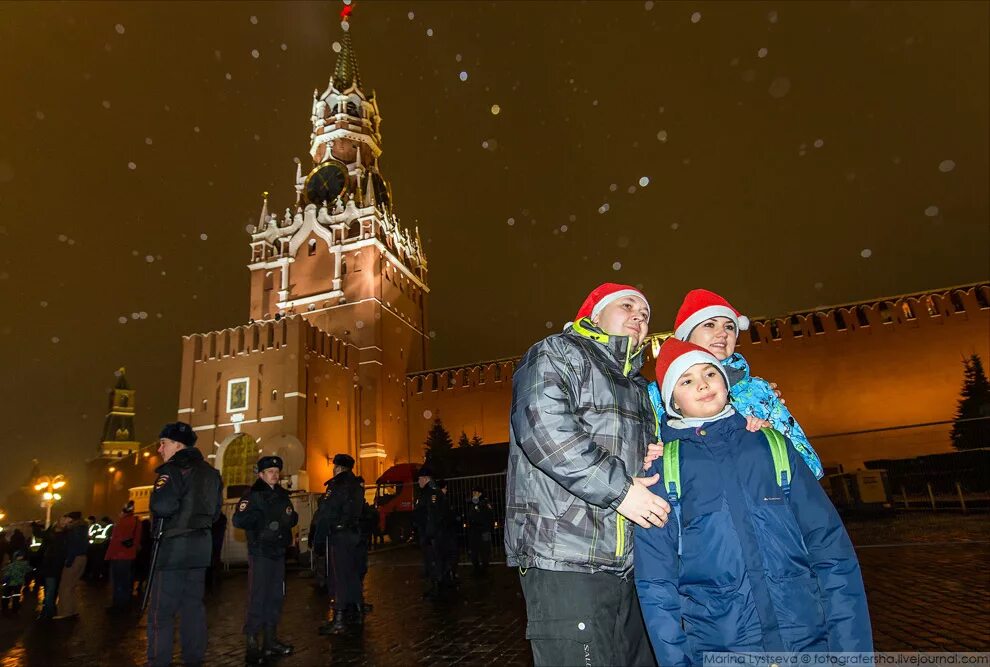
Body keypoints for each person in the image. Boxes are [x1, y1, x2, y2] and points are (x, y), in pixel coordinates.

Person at [635, 339, 873, 666]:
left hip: (805, 645)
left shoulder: (772, 447)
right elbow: (656, 585)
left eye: (710, 373)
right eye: (687, 380)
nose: (703, 384)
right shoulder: (665, 470)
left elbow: (831, 552)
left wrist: (852, 655)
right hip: (723, 650)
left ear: (724, 381)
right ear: (671, 399)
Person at [505, 282, 670, 667]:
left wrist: (655, 455)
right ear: (594, 316)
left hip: (629, 566)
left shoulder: (640, 388)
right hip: (566, 558)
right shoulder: (557, 352)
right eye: (627, 305)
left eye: (645, 315)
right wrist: (622, 491)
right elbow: (543, 428)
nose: (639, 317)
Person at [647, 289, 824, 479]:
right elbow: (650, 464)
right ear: (686, 337)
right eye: (709, 324)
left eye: (730, 327)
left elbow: (809, 465)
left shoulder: (759, 390)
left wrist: (770, 440)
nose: (722, 333)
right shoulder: (657, 394)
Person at [146, 421, 223, 667]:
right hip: (201, 549)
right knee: (193, 608)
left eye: (164, 444)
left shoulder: (172, 470)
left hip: (173, 550)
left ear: (177, 445)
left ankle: (159, 662)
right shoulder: (211, 473)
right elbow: (215, 513)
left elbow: (163, 506)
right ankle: (193, 659)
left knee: (162, 613)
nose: (160, 449)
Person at [232, 455, 297, 663]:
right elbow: (239, 519)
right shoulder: (253, 495)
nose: (275, 475)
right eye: (270, 472)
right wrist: (262, 520)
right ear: (260, 474)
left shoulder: (281, 494)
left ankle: (270, 641)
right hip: (260, 552)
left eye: (277, 472)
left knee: (276, 595)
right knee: (258, 596)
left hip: (278, 551)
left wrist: (290, 519)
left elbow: (290, 515)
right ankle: (252, 643)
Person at [314, 453, 364, 635]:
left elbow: (325, 513)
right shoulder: (356, 485)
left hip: (339, 535)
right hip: (353, 535)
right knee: (352, 574)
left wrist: (318, 540)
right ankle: (357, 611)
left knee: (338, 577)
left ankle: (339, 619)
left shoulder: (336, 485)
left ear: (337, 467)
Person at [413, 466, 453, 599]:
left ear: (425, 478)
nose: (418, 481)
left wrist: (429, 535)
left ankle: (438, 588)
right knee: (431, 561)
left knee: (435, 561)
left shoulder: (432, 493)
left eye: (419, 479)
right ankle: (435, 586)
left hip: (432, 535)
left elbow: (433, 516)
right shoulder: (425, 493)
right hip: (427, 534)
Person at [105, 500, 142, 612]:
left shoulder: (123, 521)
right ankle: (123, 603)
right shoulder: (136, 521)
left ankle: (119, 604)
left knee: (118, 581)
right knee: (125, 581)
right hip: (129, 554)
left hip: (118, 555)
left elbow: (115, 540)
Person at [55, 511, 89, 619]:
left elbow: (72, 546)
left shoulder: (73, 530)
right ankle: (72, 609)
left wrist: (68, 561)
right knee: (72, 586)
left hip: (74, 559)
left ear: (71, 519)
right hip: (82, 558)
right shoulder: (82, 528)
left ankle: (65, 612)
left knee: (65, 586)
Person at [35, 517, 67, 620]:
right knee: (52, 589)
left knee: (50, 589)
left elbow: (39, 535)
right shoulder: (64, 536)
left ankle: (48, 611)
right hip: (56, 565)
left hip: (51, 565)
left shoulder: (53, 536)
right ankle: (50, 609)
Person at [466, 487, 494, 575]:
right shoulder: (473, 503)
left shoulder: (485, 502)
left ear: (480, 493)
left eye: (475, 492)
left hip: (484, 530)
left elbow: (487, 515)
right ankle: (476, 568)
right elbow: (471, 516)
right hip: (474, 530)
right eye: (473, 492)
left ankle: (484, 568)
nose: (474, 494)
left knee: (485, 550)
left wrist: (477, 505)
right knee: (474, 550)